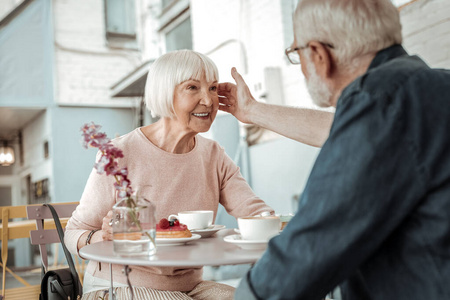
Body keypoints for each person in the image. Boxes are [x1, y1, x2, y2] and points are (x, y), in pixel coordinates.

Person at [221, 0, 450, 299]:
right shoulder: (428, 88)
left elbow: (310, 246)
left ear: (318, 55)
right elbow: (334, 129)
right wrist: (252, 110)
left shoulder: (377, 102)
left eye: (296, 53)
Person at [64, 50, 273, 300]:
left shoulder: (213, 155)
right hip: (117, 286)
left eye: (213, 88)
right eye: (193, 87)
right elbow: (73, 233)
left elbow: (255, 213)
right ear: (165, 92)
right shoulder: (119, 153)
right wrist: (101, 236)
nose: (208, 100)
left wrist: (285, 224)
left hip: (190, 288)